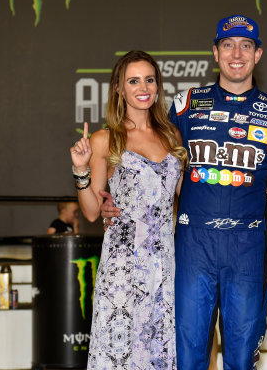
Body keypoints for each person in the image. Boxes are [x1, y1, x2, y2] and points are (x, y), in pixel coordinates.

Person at [101, 15, 267, 369]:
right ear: (215, 52)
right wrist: (113, 197)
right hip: (191, 247)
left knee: (242, 359)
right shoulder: (183, 106)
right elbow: (141, 145)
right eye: (228, 45)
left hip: (246, 248)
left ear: (258, 54)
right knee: (186, 357)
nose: (236, 54)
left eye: (246, 46)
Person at [70, 50, 187, 369]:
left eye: (149, 79)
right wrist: (81, 169)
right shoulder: (105, 139)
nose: (143, 87)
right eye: (133, 80)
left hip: (163, 270)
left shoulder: (171, 135)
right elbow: (93, 211)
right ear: (119, 88)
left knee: (156, 357)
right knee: (120, 357)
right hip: (122, 270)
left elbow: (183, 198)